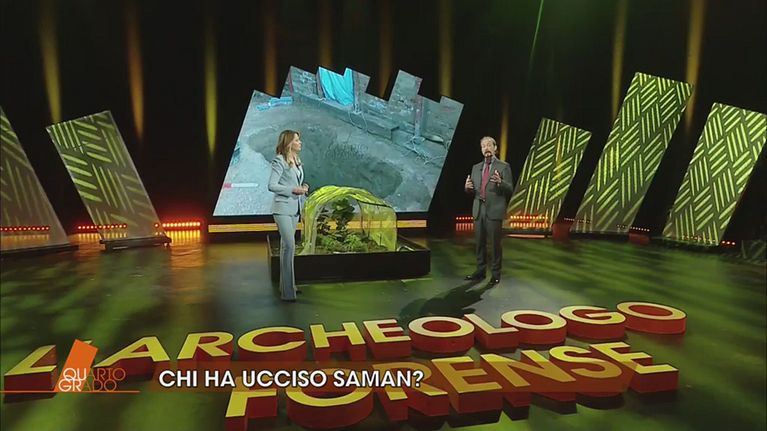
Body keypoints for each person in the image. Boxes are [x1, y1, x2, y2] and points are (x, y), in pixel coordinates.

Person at [464, 136, 514, 286]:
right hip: (479, 209)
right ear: (481, 150)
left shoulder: (503, 166)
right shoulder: (475, 168)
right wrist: (467, 188)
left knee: (495, 244)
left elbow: (510, 189)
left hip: (494, 210)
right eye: (483, 146)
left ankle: (495, 274)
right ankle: (480, 271)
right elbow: (473, 190)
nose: (486, 148)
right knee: (479, 243)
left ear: (495, 148)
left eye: (489, 145)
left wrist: (501, 182)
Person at [269, 130, 309, 302]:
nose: (300, 143)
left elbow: (296, 182)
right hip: (282, 209)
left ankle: (287, 286)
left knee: (287, 247)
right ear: (289, 143)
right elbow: (272, 185)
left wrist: (303, 187)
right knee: (290, 246)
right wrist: (293, 190)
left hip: (294, 209)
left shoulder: (297, 161)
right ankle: (287, 292)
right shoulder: (279, 161)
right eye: (297, 140)